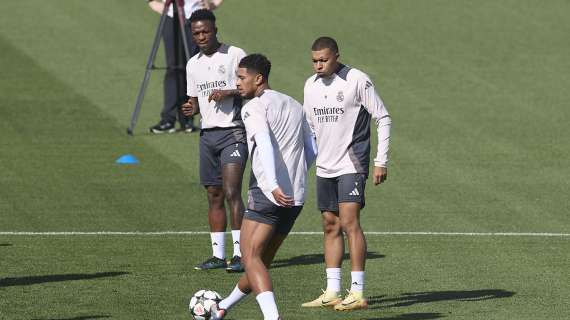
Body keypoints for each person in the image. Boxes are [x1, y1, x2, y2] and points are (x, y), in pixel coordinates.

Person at [209, 54, 317, 320]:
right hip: (296, 196)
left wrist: (272, 184)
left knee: (249, 257)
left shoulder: (253, 107)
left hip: (268, 193)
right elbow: (312, 148)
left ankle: (272, 317)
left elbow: (265, 143)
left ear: (259, 79)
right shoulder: (293, 104)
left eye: (242, 77)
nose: (238, 83)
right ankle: (223, 307)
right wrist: (297, 176)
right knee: (260, 262)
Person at [301, 36, 392, 311]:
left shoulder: (356, 80)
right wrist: (303, 167)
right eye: (315, 60)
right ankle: (332, 290)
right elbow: (309, 130)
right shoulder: (310, 85)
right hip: (325, 166)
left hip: (352, 165)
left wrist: (381, 161)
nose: (318, 65)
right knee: (330, 224)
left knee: (350, 222)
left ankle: (358, 292)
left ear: (337, 56)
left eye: (324, 60)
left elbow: (383, 117)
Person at [181, 9, 247, 272]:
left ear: (215, 29)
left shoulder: (234, 54)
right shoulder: (192, 64)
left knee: (232, 192)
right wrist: (190, 109)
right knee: (213, 194)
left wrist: (228, 92)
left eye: (205, 31)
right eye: (196, 33)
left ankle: (241, 254)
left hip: (233, 132)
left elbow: (251, 87)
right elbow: (195, 101)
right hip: (208, 135)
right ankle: (218, 256)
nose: (201, 36)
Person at [147, 0, 223, 134]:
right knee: (173, 69)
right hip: (170, 16)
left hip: (194, 19)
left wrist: (213, 4)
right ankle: (168, 119)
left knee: (192, 68)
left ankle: (187, 119)